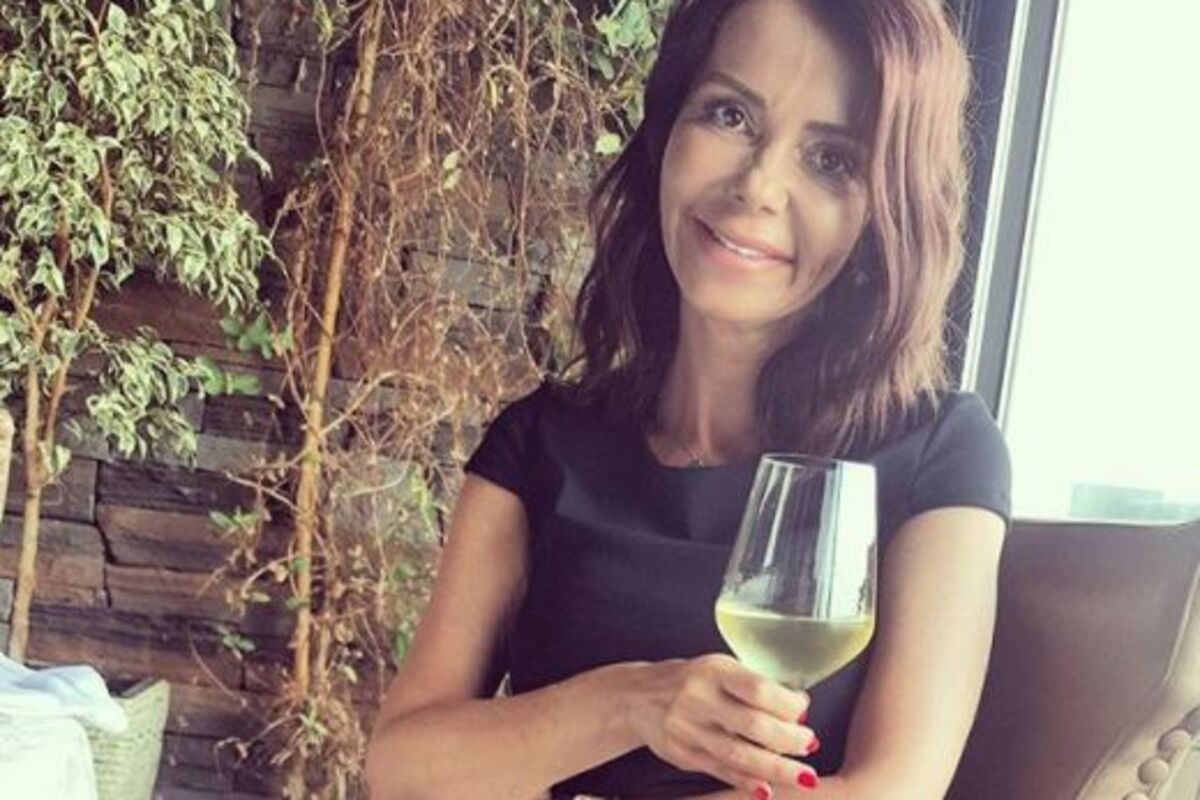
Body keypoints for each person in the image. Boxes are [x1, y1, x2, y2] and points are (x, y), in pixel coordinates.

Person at [365, 0, 1011, 797]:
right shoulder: (540, 442)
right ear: (667, 130)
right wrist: (629, 704)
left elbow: (889, 792)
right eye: (730, 115)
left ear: (886, 212)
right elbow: (401, 766)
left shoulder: (937, 453)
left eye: (832, 159)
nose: (759, 186)